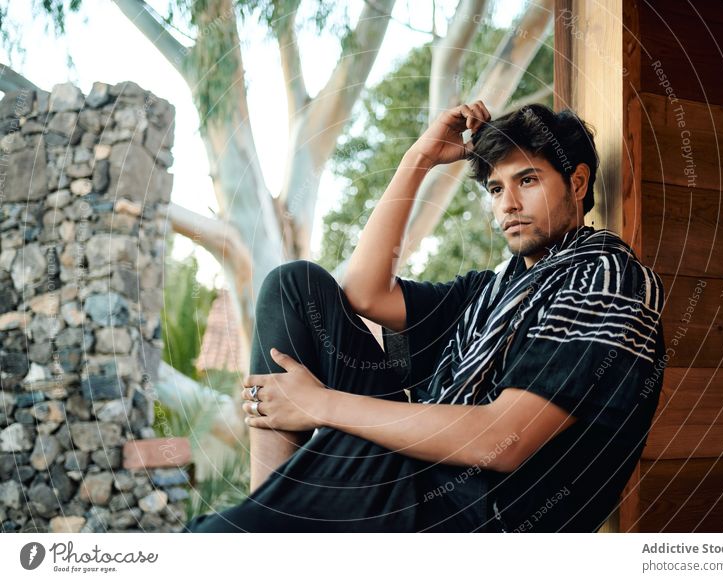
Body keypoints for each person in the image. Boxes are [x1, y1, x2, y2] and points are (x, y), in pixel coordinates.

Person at [181, 100, 666, 533]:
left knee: (212, 542)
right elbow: (365, 293)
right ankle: (268, 516)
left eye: (528, 180)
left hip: (473, 511)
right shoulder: (496, 289)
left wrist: (320, 405)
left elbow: (504, 438)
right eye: (496, 188)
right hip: (420, 467)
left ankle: (261, 530)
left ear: (577, 183)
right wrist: (420, 159)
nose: (508, 204)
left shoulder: (605, 279)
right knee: (294, 286)